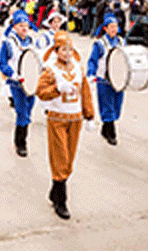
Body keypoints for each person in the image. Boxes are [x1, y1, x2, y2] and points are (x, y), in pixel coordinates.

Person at [36, 31, 95, 220]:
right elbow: (41, 91)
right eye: (63, 49)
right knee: (60, 158)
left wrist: (90, 114)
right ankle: (61, 199)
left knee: (69, 160)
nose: (67, 53)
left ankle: (54, 191)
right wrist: (56, 89)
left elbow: (85, 91)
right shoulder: (50, 69)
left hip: (75, 119)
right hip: (57, 119)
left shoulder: (78, 68)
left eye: (70, 49)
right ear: (57, 50)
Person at [0, 10, 38, 157]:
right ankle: (21, 143)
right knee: (22, 112)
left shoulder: (32, 41)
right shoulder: (8, 43)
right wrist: (13, 74)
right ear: (14, 27)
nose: (24, 28)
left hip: (31, 83)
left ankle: (21, 139)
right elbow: (1, 63)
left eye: (26, 25)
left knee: (28, 111)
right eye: (21, 25)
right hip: (17, 84)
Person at [87, 13, 124, 146]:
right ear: (105, 28)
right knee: (107, 106)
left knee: (117, 106)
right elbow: (93, 60)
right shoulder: (100, 43)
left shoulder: (121, 41)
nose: (114, 29)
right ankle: (111, 132)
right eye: (111, 27)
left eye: (115, 26)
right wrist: (91, 73)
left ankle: (105, 128)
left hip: (118, 79)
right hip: (104, 79)